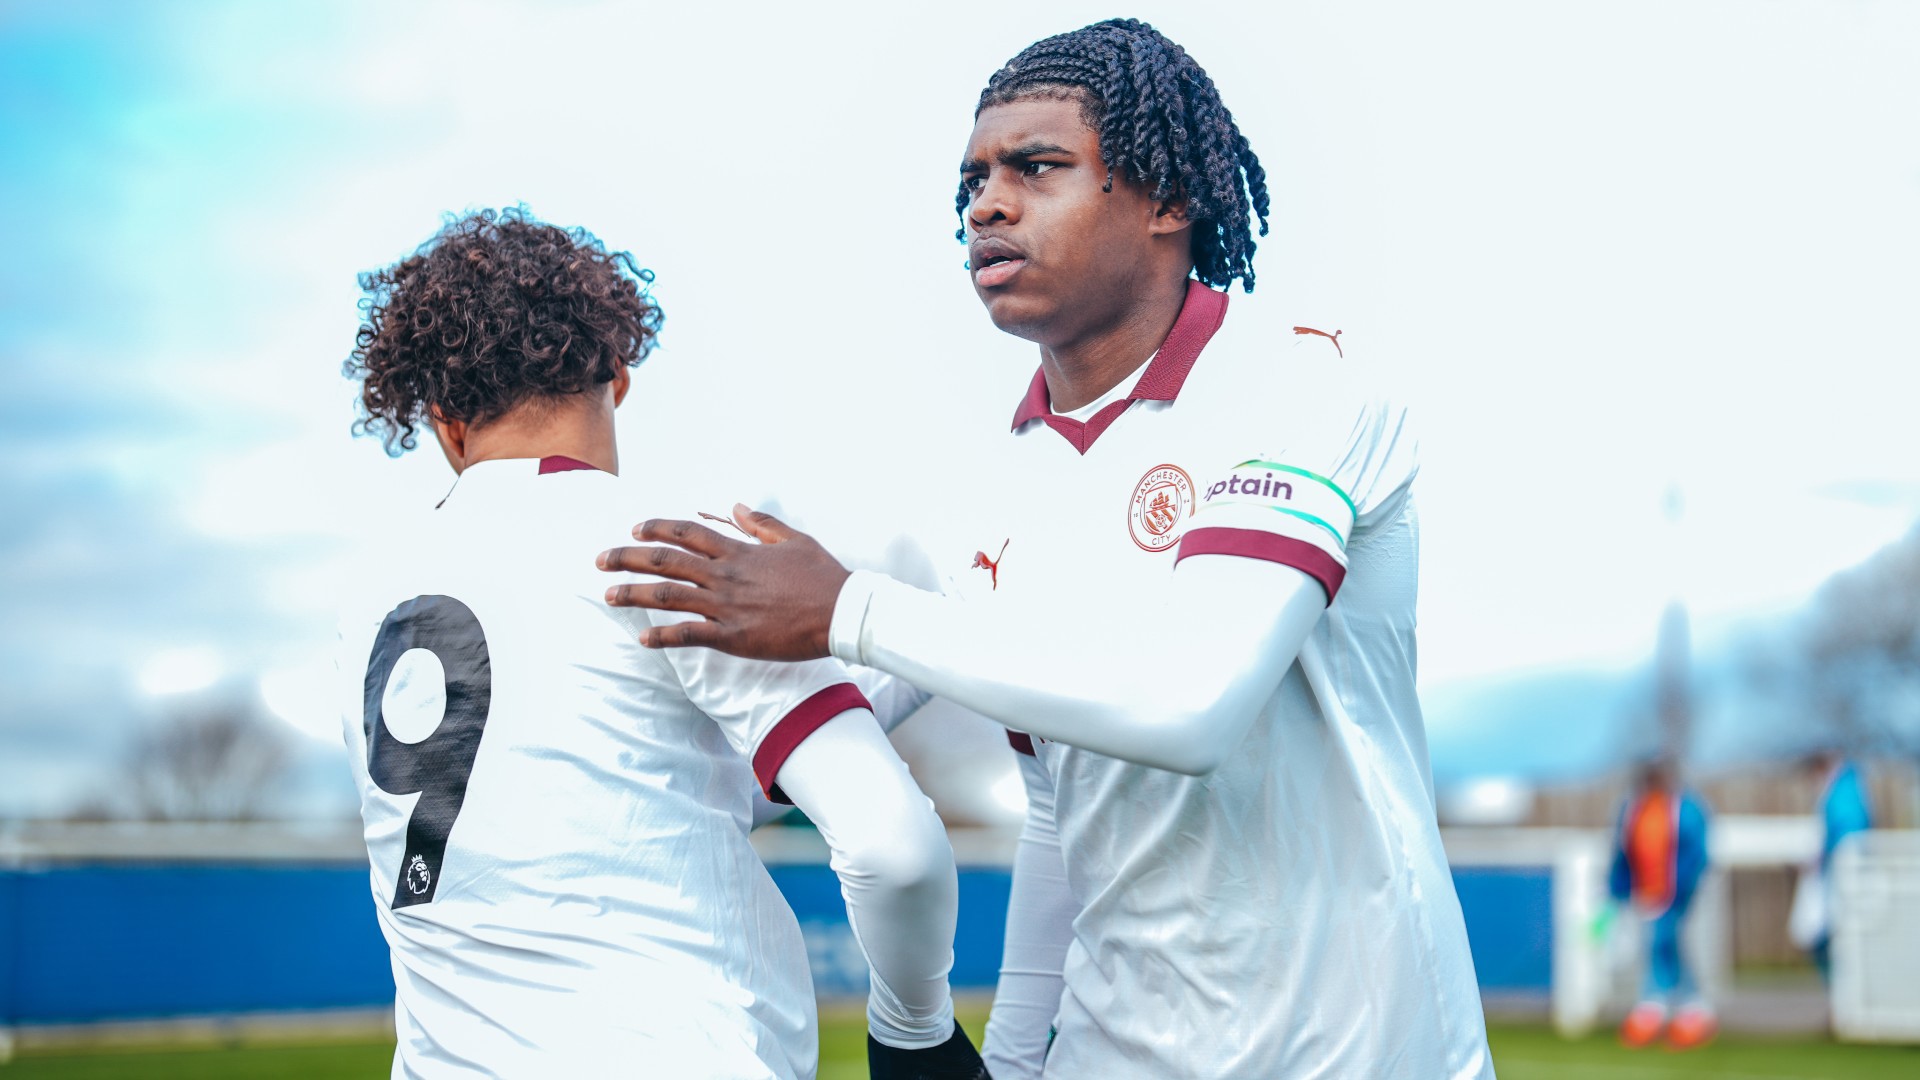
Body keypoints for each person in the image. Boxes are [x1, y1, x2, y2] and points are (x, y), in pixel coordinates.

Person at [596, 20, 1493, 1078]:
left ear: (1165, 199)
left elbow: (1191, 704)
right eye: (972, 179)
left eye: (1038, 167)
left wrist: (853, 611)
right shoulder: (981, 498)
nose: (988, 203)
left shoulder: (1303, 385)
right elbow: (1067, 825)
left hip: (1364, 1055)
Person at [337, 208, 986, 1078]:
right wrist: (917, 1033)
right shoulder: (674, 552)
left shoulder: (368, 609)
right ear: (617, 371)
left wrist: (910, 669)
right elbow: (893, 851)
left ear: (444, 417)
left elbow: (648, 787)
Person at [1602, 757, 1713, 1049]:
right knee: (1655, 949)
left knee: (1667, 945)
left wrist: (1680, 888)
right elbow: (1623, 852)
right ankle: (1670, 1008)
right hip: (1643, 894)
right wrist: (1617, 890)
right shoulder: (1633, 809)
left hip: (1675, 893)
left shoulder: (1685, 809)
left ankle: (1674, 1009)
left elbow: (1696, 852)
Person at [1796, 749, 1871, 978]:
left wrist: (1825, 856)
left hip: (1844, 873)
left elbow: (1848, 833)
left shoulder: (1842, 794)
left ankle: (1842, 995)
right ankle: (1840, 996)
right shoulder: (1843, 790)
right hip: (1835, 871)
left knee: (1832, 935)